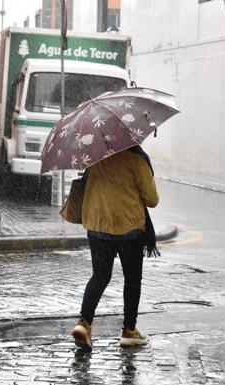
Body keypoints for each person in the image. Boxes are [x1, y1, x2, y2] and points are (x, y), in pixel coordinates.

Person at [71, 145, 160, 350]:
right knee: (132, 278)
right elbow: (152, 200)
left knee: (100, 276)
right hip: (128, 227)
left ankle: (84, 323)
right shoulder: (137, 160)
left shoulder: (96, 159)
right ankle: (129, 331)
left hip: (97, 226)